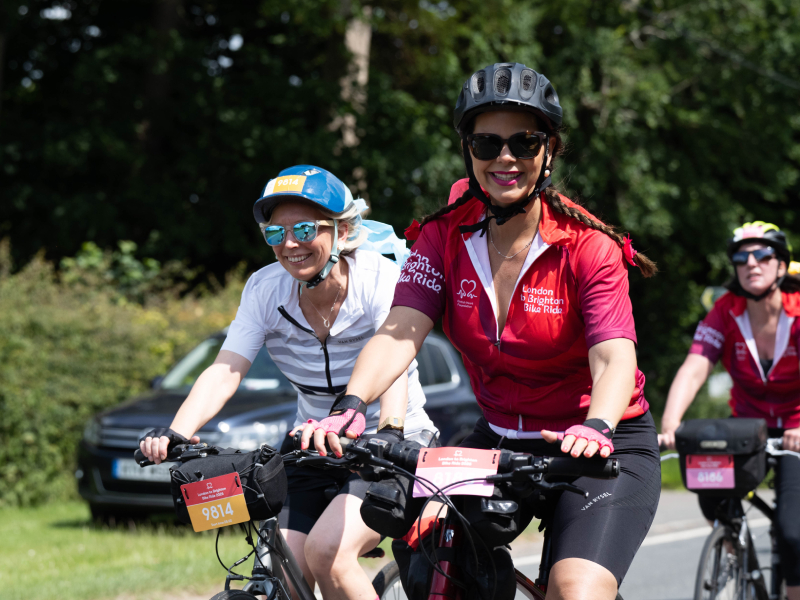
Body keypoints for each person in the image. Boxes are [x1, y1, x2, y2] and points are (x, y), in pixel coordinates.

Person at [321, 62, 661, 600]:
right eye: (486, 143)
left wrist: (596, 424)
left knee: (575, 590)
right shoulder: (443, 236)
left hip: (600, 443)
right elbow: (399, 330)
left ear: (548, 151)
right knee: (435, 555)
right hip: (500, 437)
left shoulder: (585, 247)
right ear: (468, 151)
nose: (505, 158)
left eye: (523, 143)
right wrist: (351, 402)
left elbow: (614, 358)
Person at [139, 165, 437, 600]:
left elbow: (392, 366)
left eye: (303, 228)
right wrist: (177, 431)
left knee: (328, 554)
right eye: (275, 234)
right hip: (312, 449)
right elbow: (226, 367)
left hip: (388, 443)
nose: (290, 244)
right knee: (279, 572)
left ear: (343, 230)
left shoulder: (378, 278)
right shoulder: (264, 290)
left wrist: (389, 435)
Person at [659, 221, 800, 599]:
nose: (751, 262)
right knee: (710, 486)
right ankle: (735, 549)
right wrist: (671, 423)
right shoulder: (726, 310)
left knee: (793, 533)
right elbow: (694, 368)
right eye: (741, 256)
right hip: (749, 426)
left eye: (762, 255)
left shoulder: (798, 310)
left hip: (796, 430)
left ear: (782, 266)